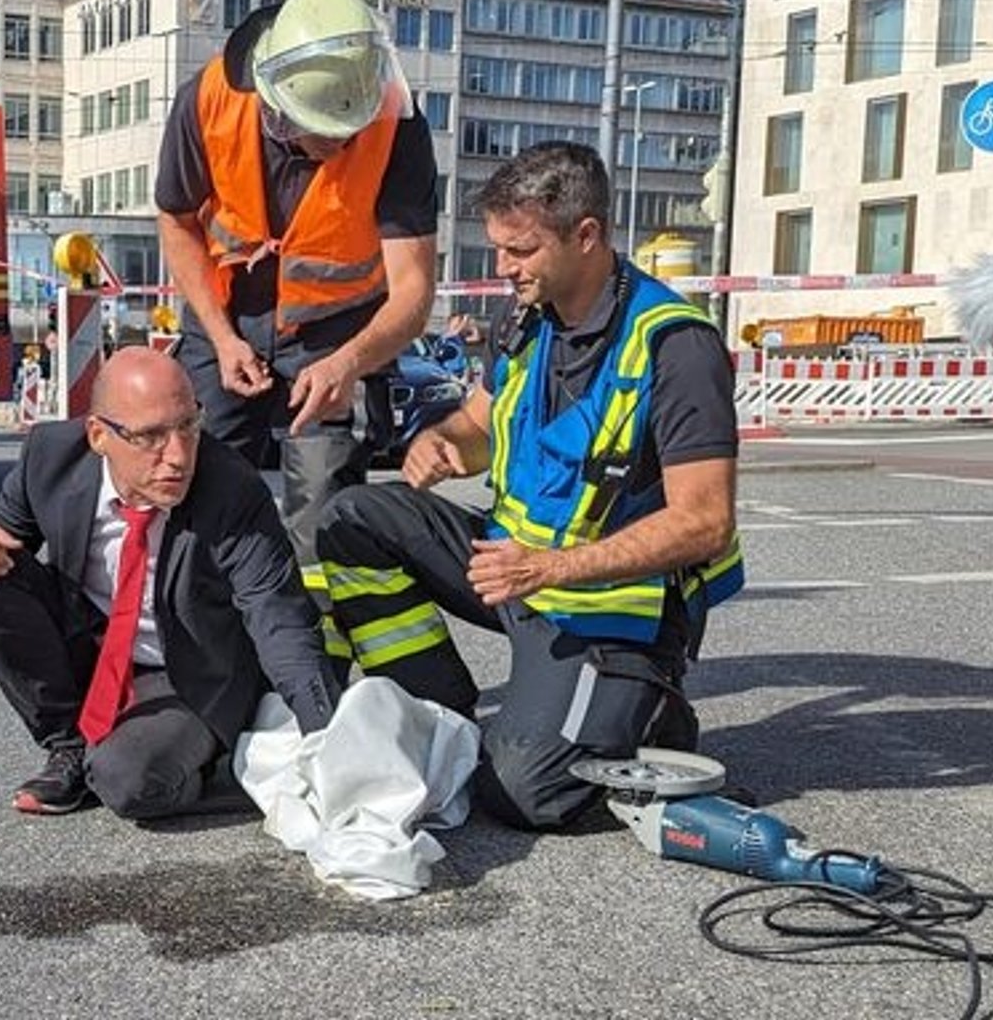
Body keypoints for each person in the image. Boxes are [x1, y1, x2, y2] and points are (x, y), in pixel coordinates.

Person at [314, 141, 745, 830]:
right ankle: (440, 709)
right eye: (498, 249)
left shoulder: (676, 347)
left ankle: (652, 707)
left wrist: (551, 566)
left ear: (586, 235)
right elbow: (480, 427)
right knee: (352, 517)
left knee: (525, 792)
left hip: (608, 610)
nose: (502, 268)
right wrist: (445, 442)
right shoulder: (526, 320)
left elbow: (705, 522)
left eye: (519, 250)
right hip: (515, 569)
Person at [154, 0, 440, 653]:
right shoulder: (210, 100)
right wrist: (222, 338)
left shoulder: (395, 123)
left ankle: (323, 674)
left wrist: (349, 361)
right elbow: (177, 220)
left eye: (346, 136)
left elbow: (414, 292)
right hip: (225, 320)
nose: (335, 151)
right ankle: (198, 656)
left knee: (325, 518)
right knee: (188, 485)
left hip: (341, 334)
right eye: (321, 138)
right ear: (277, 104)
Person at [0, 347, 339, 820]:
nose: (177, 456)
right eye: (150, 436)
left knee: (130, 784)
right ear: (98, 436)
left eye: (188, 426)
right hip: (90, 651)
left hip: (185, 674)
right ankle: (69, 744)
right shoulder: (49, 458)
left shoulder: (234, 490)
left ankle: (229, 768)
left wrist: (328, 739)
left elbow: (280, 622)